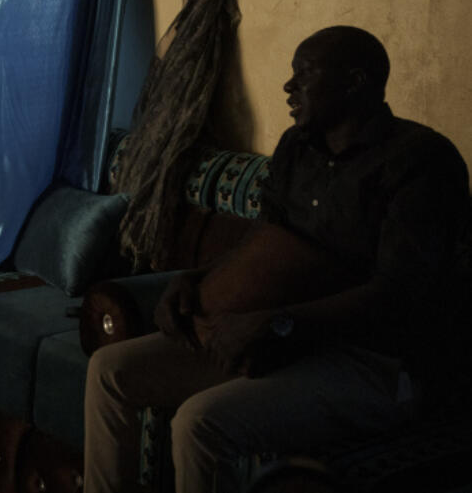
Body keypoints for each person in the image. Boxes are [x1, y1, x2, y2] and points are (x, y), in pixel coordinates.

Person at [82, 26, 470, 492]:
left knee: (200, 422)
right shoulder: (297, 148)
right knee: (110, 373)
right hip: (280, 339)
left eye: (305, 73)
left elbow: (399, 293)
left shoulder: (420, 161)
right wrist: (194, 279)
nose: (290, 87)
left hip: (372, 365)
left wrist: (280, 323)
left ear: (355, 81)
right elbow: (265, 244)